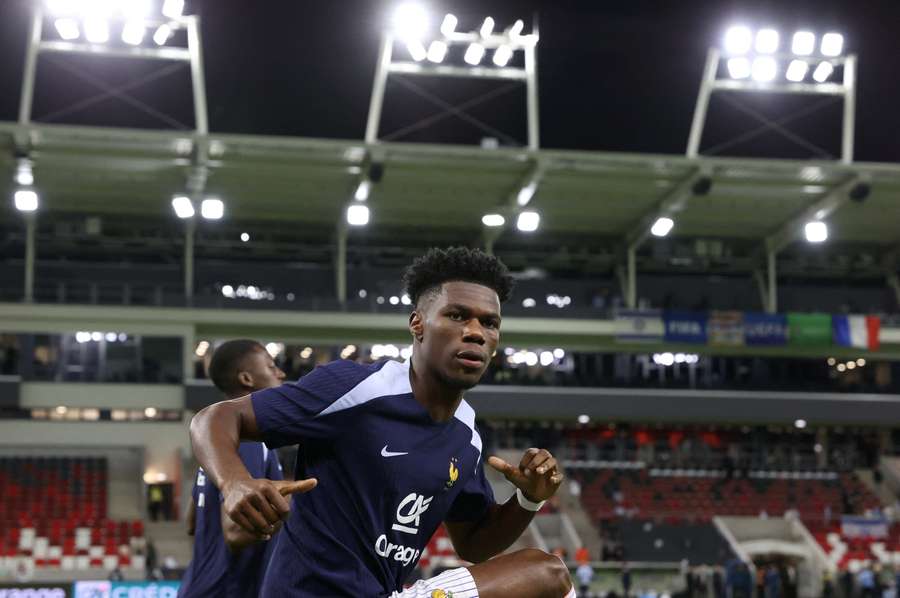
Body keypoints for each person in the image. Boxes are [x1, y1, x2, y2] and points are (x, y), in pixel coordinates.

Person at [191, 247, 575, 597]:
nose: (475, 332)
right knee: (546, 574)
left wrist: (528, 499)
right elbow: (216, 417)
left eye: (489, 323)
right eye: (457, 315)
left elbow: (473, 545)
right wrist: (235, 483)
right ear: (417, 324)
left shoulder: (466, 435)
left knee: (548, 576)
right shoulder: (356, 387)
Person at [179, 339, 292, 597]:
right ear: (247, 379)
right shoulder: (247, 439)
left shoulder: (219, 447)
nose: (281, 374)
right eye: (271, 366)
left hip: (200, 585)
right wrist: (296, 515)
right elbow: (235, 532)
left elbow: (192, 523)